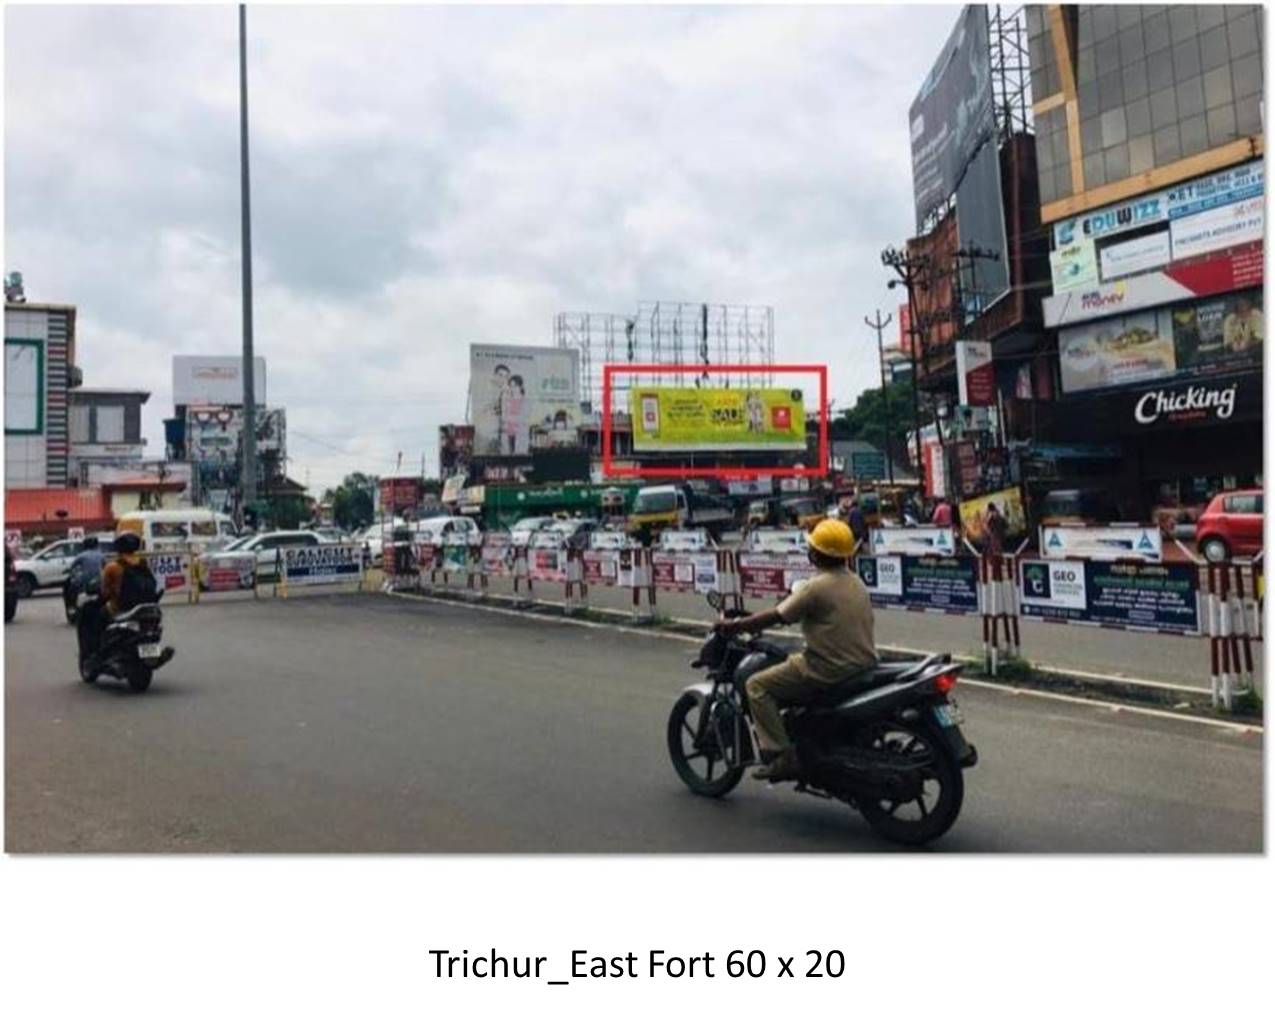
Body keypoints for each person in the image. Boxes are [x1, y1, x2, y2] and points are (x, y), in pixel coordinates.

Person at [713, 519, 877, 782]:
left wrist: (736, 625)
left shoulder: (816, 587)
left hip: (826, 668)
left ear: (815, 554)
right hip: (864, 663)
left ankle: (783, 755)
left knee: (756, 686)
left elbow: (777, 615)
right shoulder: (856, 582)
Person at [77, 532, 157, 671]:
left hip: (119, 607)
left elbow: (104, 592)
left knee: (94, 620)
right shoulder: (143, 563)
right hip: (144, 608)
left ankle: (96, 653)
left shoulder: (113, 567)